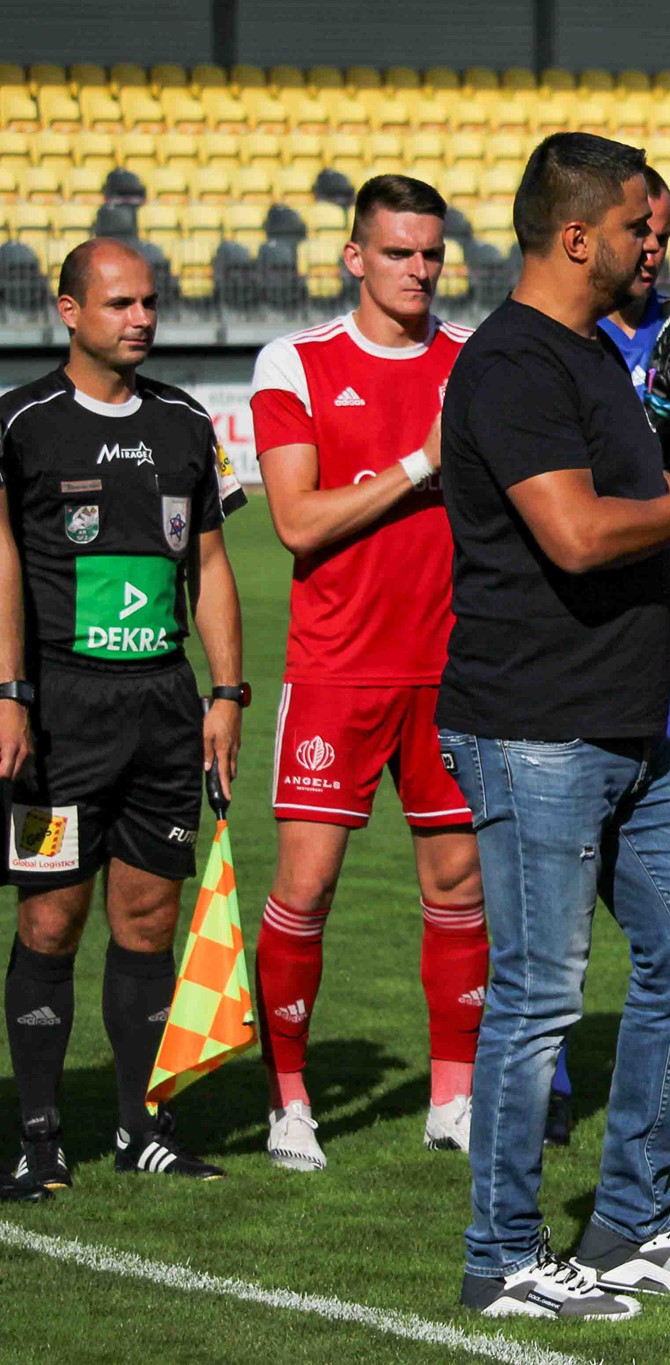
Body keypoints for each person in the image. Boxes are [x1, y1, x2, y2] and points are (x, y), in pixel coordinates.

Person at [439, 133, 670, 1320]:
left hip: (626, 727)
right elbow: (579, 536)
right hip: (535, 727)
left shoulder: (587, 356)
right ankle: (503, 1254)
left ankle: (630, 1220)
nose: (654, 247)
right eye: (640, 227)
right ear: (578, 236)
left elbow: (644, 501)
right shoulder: (512, 364)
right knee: (538, 996)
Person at [250, 175, 487, 1172]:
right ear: (355, 257)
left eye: (430, 253)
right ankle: (289, 1100)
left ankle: (453, 1099)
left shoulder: (474, 361)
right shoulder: (295, 360)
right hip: (336, 669)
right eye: (397, 252)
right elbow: (295, 520)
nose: (417, 270)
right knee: (305, 886)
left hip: (453, 669)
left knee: (459, 882)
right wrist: (420, 465)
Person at [3, 238, 246, 1188]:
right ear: (69, 311)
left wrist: (226, 693)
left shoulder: (186, 421)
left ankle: (142, 1128)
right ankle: (38, 1139)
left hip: (162, 711)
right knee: (49, 920)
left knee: (148, 918)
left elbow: (210, 565)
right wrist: (9, 694)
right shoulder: (22, 423)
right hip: (58, 716)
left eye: (149, 302)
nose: (141, 318)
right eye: (119, 304)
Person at [543, 161, 670, 1145]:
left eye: (663, 232)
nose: (653, 249)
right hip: (575, 648)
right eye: (641, 230)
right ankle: (545, 1084)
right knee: (558, 887)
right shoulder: (554, 339)